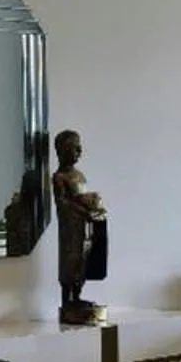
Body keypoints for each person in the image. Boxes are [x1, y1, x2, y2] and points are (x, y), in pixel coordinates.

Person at [52, 129, 107, 325]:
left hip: (84, 227)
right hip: (70, 229)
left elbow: (82, 197)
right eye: (74, 148)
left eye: (79, 148)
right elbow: (63, 203)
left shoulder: (79, 175)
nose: (79, 151)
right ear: (61, 150)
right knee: (70, 261)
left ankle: (77, 297)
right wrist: (83, 211)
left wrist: (94, 208)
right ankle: (67, 302)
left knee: (83, 262)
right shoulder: (59, 177)